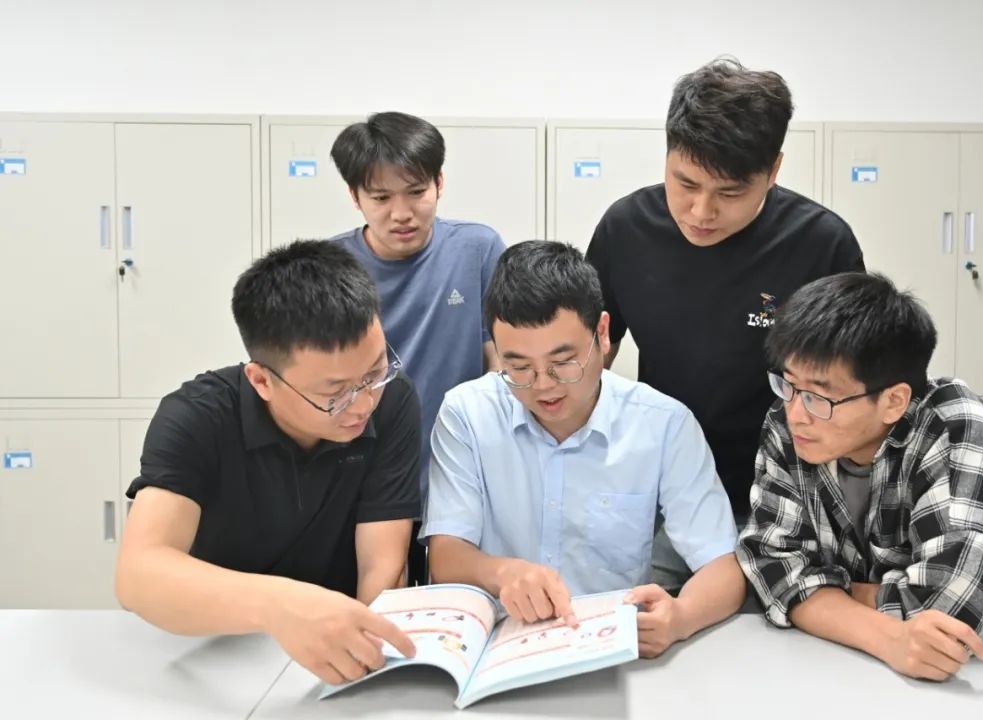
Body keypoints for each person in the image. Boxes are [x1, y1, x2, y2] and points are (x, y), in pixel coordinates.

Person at [585, 58, 865, 588]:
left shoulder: (820, 245)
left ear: (773, 170)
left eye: (730, 193)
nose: (700, 211)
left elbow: (852, 392)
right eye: (685, 183)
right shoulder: (626, 230)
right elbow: (592, 356)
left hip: (788, 502)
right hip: (664, 497)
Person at [116, 240, 421, 685]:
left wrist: (369, 661)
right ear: (261, 380)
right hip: (215, 649)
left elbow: (382, 566)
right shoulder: (198, 417)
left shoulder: (391, 401)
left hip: (333, 655)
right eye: (334, 394)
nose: (363, 404)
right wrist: (280, 606)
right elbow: (139, 574)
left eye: (375, 372)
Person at [421, 241, 745, 659]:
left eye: (563, 362)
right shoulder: (467, 413)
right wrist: (502, 572)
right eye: (518, 367)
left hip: (610, 650)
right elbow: (446, 555)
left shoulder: (663, 424)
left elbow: (723, 568)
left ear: (603, 333)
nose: (543, 385)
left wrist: (680, 617)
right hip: (498, 649)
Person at [737, 271, 983, 681]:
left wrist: (827, 593)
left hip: (975, 678)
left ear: (893, 401)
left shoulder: (959, 426)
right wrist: (889, 638)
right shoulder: (787, 424)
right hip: (822, 666)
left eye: (819, 396)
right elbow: (773, 568)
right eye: (788, 384)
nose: (796, 413)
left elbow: (955, 605)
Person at [330, 111, 506, 585]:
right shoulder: (332, 266)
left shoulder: (477, 249)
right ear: (354, 197)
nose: (402, 213)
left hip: (455, 475)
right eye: (381, 198)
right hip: (363, 476)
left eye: (416, 192)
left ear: (439, 183)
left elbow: (500, 362)